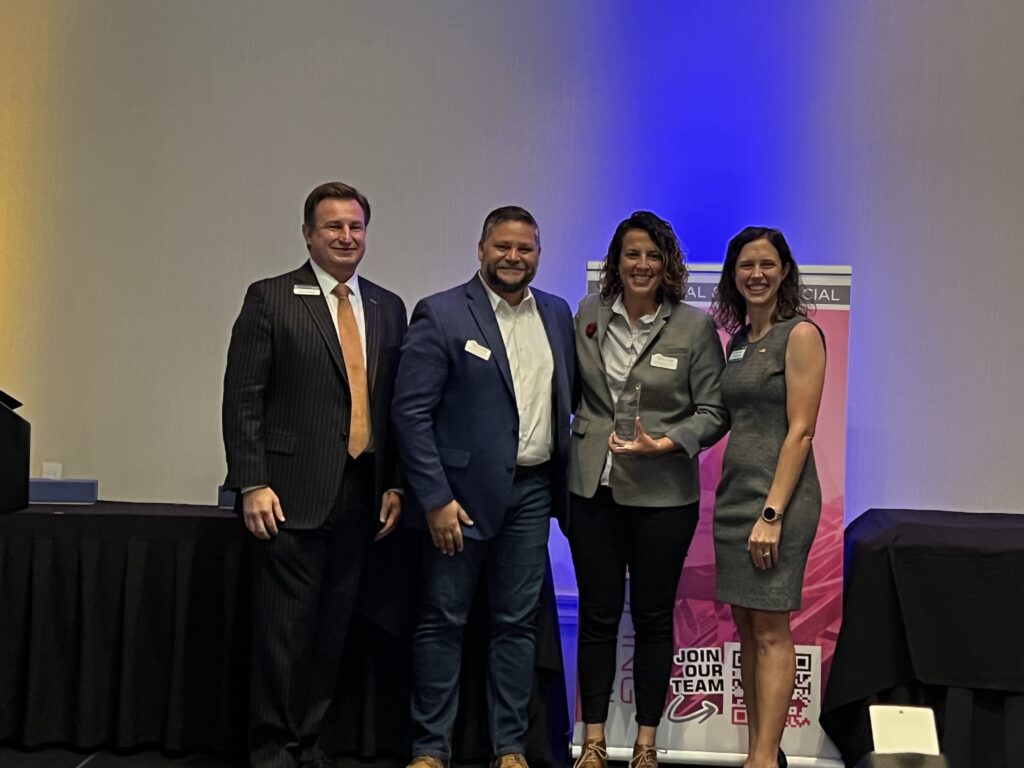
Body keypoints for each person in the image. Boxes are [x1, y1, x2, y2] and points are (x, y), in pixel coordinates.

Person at [222, 181, 408, 768]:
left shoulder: (387, 306)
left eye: (355, 227)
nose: (346, 237)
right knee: (284, 637)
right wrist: (250, 481)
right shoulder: (272, 298)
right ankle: (274, 751)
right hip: (286, 496)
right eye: (333, 227)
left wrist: (397, 483)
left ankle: (309, 744)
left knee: (332, 633)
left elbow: (396, 407)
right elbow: (243, 398)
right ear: (308, 234)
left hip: (362, 495)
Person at [392, 206, 575, 768]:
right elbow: (410, 413)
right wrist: (435, 499)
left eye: (525, 249)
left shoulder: (558, 314)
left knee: (517, 627)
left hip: (532, 494)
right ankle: (430, 749)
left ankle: (511, 748)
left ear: (538, 254)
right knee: (443, 621)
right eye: (503, 247)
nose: (513, 258)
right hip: (459, 501)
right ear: (480, 249)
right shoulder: (442, 313)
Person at [568, 212, 728, 768]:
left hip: (664, 497)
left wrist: (666, 443)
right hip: (593, 491)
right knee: (597, 615)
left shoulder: (693, 327)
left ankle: (645, 744)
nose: (641, 265)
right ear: (616, 262)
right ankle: (591, 741)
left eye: (652, 256)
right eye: (632, 255)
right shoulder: (586, 315)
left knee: (654, 617)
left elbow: (714, 411)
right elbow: (568, 393)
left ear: (667, 266)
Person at [711, 227, 826, 768]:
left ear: (784, 270)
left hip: (778, 502)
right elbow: (726, 419)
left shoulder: (799, 335)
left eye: (767, 264)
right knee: (747, 627)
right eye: (745, 265)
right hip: (736, 501)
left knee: (772, 629)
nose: (756, 274)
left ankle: (760, 762)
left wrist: (772, 515)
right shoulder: (738, 342)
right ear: (733, 275)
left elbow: (800, 431)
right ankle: (763, 752)